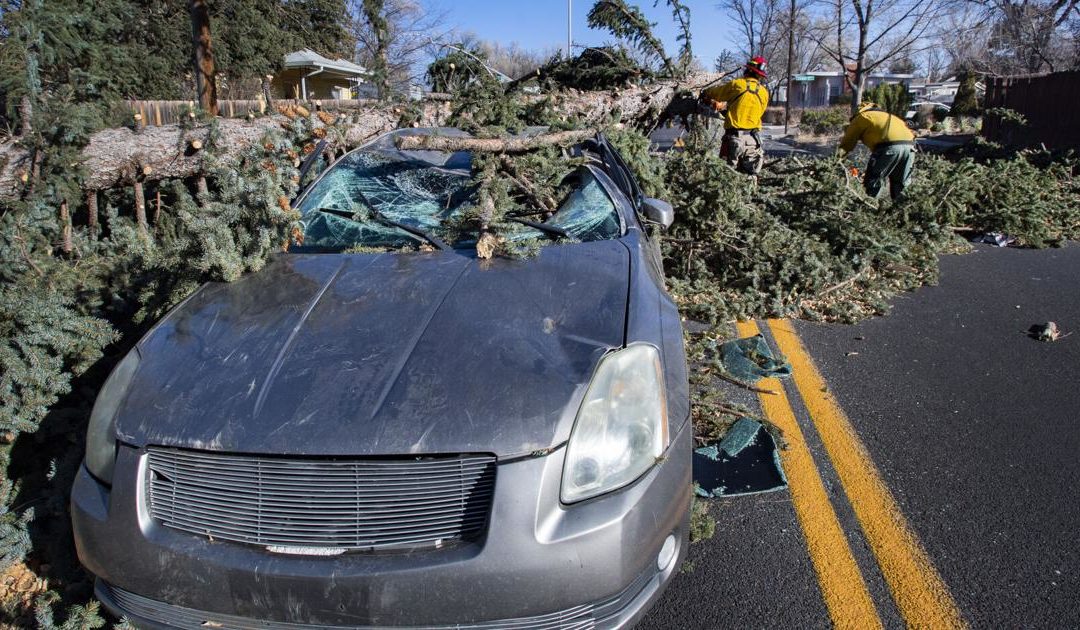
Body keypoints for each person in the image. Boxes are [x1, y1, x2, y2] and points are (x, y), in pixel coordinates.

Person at [700, 57, 770, 175]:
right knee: (750, 177)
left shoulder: (737, 85)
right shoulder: (764, 92)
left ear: (748, 70)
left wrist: (704, 92)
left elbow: (715, 93)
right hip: (753, 141)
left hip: (734, 139)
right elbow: (757, 113)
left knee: (726, 177)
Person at [838, 101, 917, 200]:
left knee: (873, 182)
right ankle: (903, 211)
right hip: (910, 147)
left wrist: (836, 161)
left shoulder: (861, 117)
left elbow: (847, 144)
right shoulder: (887, 116)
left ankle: (869, 209)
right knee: (901, 184)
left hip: (888, 148)